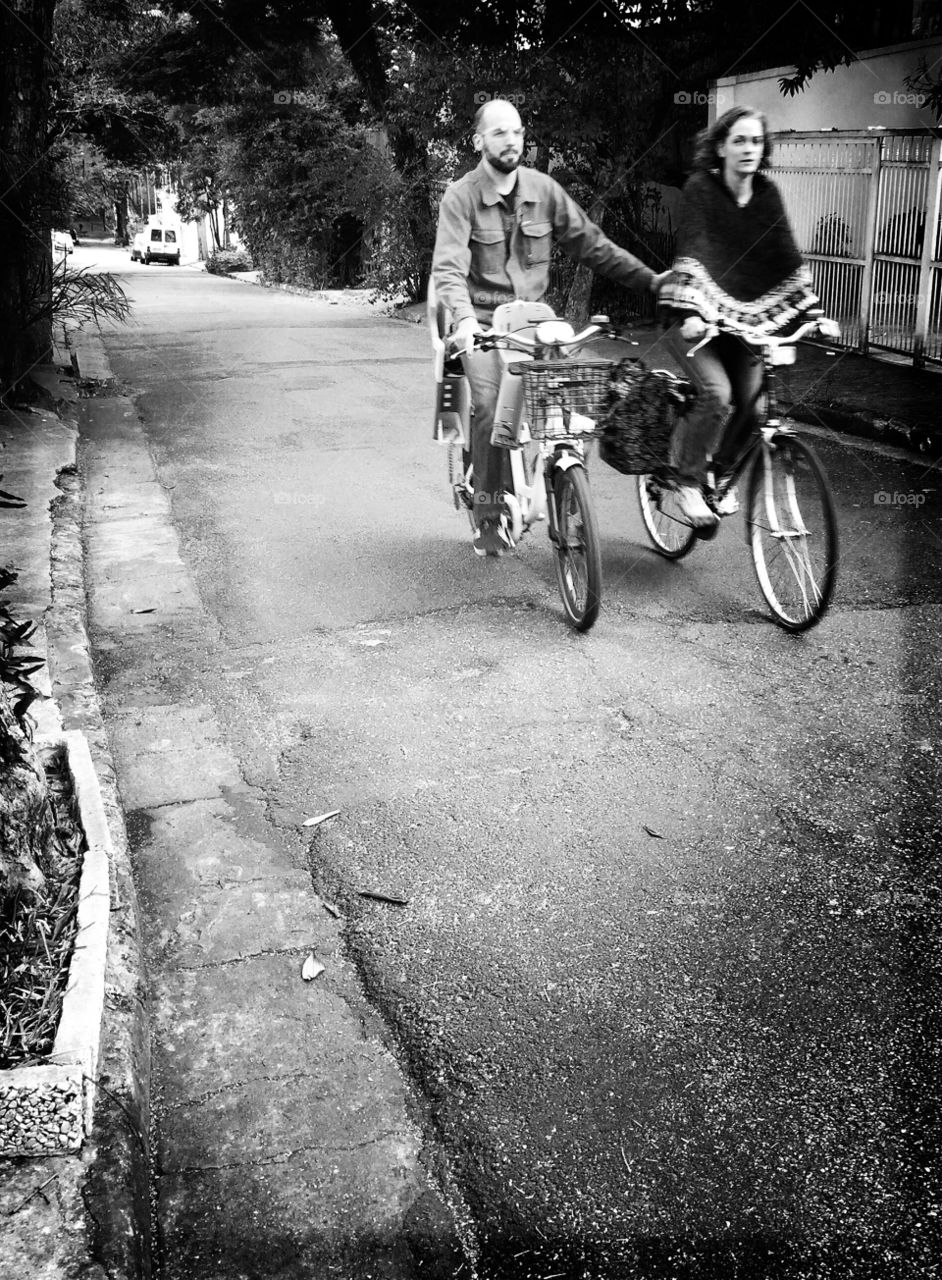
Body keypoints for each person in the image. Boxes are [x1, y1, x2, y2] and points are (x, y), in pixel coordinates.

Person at [432, 98, 669, 556]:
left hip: (534, 324)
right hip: (482, 324)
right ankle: (487, 512)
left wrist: (653, 283)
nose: (511, 140)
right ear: (479, 140)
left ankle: (564, 481)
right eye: (499, 132)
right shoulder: (460, 197)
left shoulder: (544, 190)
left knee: (579, 400)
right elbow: (448, 269)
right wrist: (463, 322)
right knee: (487, 402)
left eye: (517, 131)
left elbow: (593, 246)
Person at [658, 105, 837, 527]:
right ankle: (686, 481)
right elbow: (695, 250)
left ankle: (717, 474)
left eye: (756, 141)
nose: (748, 149)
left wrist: (813, 313)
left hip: (743, 324)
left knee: (756, 409)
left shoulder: (767, 193)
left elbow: (785, 257)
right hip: (691, 318)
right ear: (720, 147)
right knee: (717, 393)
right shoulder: (701, 188)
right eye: (739, 140)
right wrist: (691, 310)